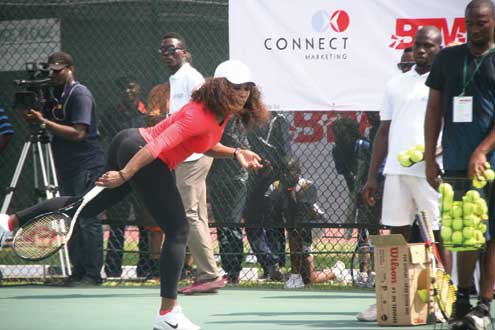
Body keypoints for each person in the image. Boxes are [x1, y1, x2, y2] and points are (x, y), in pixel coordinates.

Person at [0, 59, 269, 330]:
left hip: (130, 142)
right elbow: (158, 145)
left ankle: (9, 222)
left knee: (86, 207)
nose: (243, 92)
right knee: (177, 230)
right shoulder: (198, 115)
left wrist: (236, 152)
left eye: (247, 87)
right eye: (237, 87)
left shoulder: (220, 114)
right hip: (142, 153)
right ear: (221, 87)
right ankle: (168, 315)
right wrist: (125, 174)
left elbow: (205, 144)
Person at [358, 26, 443, 322]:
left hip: (431, 172)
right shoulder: (396, 84)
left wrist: (439, 153)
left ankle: (442, 300)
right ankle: (391, 299)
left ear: (439, 48)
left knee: (439, 236)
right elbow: (383, 132)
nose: (422, 51)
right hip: (395, 172)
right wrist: (372, 177)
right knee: (396, 236)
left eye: (429, 46)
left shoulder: (447, 81)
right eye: (418, 45)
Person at [424, 1, 495, 329]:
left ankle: (484, 305)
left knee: (491, 234)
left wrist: (481, 150)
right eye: (469, 23)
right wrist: (428, 157)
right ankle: (463, 299)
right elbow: (434, 109)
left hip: (490, 164)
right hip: (454, 163)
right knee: (463, 234)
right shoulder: (448, 58)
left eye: (481, 23)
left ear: (493, 22)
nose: (474, 29)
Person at [21, 51, 105, 286]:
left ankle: (92, 275)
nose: (54, 75)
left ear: (70, 69)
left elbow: (79, 133)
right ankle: (77, 272)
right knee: (70, 218)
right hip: (67, 166)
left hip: (86, 165)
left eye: (58, 71)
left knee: (87, 218)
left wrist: (43, 122)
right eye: (51, 71)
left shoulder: (80, 94)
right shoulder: (53, 95)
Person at [159, 32, 224, 294]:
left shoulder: (191, 78)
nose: (167, 53)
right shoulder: (177, 78)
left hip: (194, 155)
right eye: (162, 50)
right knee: (197, 214)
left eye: (172, 49)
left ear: (185, 52)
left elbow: (208, 114)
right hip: (190, 153)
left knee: (189, 214)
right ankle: (208, 273)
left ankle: (208, 274)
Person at [102, 77, 157, 279]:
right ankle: (113, 271)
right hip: (118, 173)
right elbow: (104, 140)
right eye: (123, 87)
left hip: (142, 174)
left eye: (131, 86)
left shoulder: (148, 114)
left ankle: (144, 269)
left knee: (145, 223)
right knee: (117, 222)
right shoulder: (110, 114)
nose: (127, 91)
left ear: (139, 88)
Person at [266, 156, 345, 289]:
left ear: (298, 172)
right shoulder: (275, 186)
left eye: (289, 171)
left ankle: (295, 275)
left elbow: (301, 215)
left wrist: (289, 194)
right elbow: (271, 211)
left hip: (313, 224)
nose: (285, 175)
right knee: (309, 278)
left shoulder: (307, 186)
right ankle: (337, 271)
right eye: (282, 171)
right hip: (292, 225)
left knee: (295, 232)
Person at [243, 111, 292, 281]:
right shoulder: (246, 119)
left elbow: (286, 152)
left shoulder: (278, 120)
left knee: (267, 220)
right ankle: (272, 263)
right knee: (260, 220)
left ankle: (272, 263)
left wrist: (276, 168)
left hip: (271, 175)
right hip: (255, 174)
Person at [207, 116, 250, 284]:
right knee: (222, 225)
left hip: (236, 179)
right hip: (217, 179)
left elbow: (238, 144)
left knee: (232, 223)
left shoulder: (236, 120)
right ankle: (228, 268)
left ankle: (234, 269)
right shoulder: (212, 119)